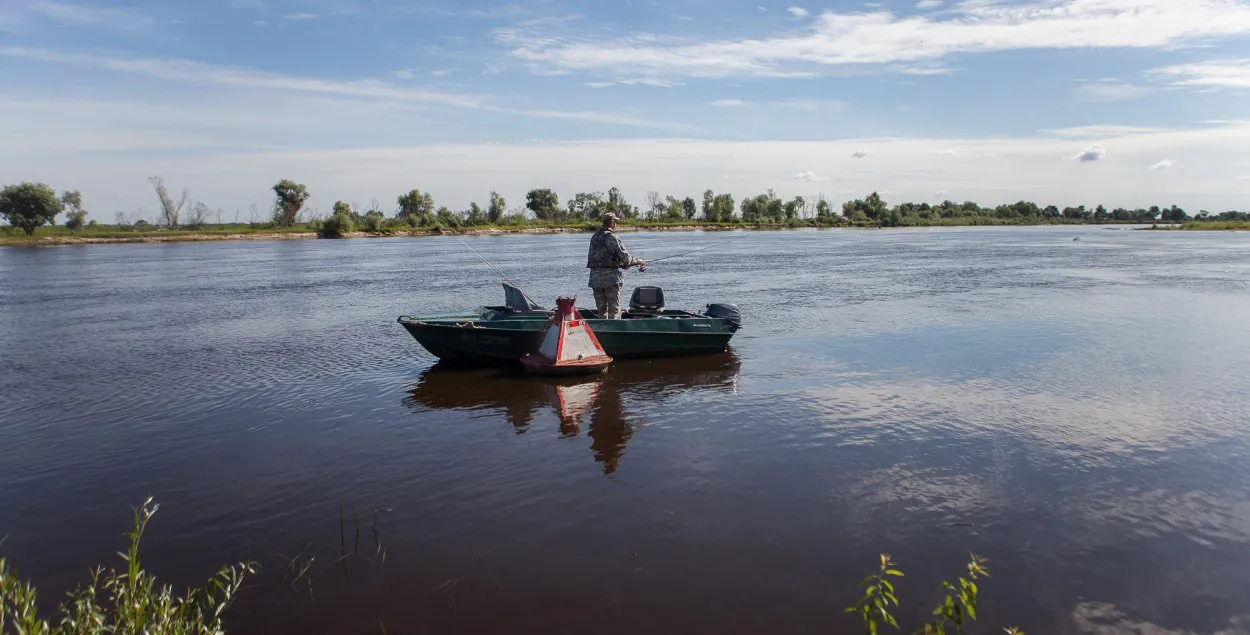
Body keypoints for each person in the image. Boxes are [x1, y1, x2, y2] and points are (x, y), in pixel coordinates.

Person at [586, 212, 644, 319]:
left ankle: (602, 332)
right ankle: (615, 330)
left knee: (601, 310)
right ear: (611, 223)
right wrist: (638, 261)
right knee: (614, 311)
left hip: (595, 279)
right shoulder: (612, 237)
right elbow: (626, 258)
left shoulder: (594, 237)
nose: (616, 224)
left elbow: (599, 258)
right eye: (615, 221)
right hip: (610, 279)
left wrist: (620, 264)